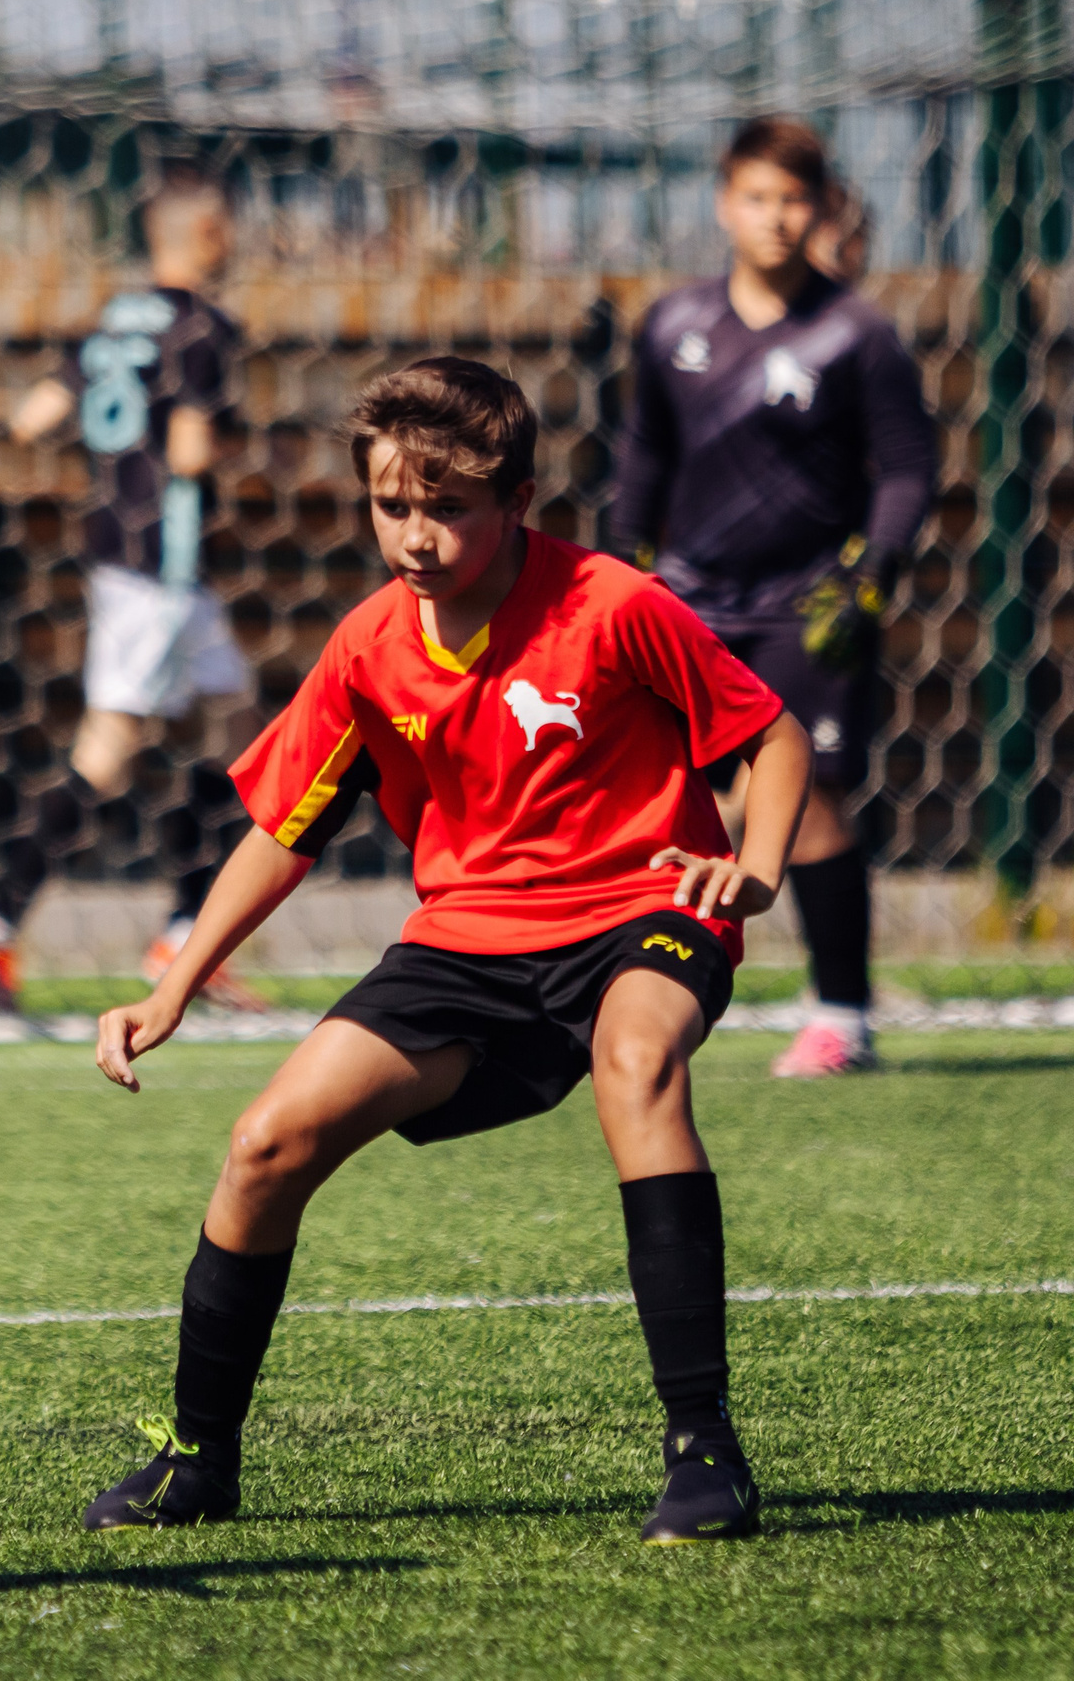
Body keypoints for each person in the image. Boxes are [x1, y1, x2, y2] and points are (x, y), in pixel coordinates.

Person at [85, 358, 810, 1546]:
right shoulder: (368, 645)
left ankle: (703, 1451)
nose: (414, 536)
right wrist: (172, 985)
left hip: (644, 906)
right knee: (265, 1142)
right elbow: (285, 828)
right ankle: (197, 1458)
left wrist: (758, 867)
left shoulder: (612, 603)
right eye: (390, 506)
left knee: (636, 1064)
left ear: (517, 501)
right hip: (467, 940)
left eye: (447, 508)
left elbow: (772, 736)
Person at [612, 116, 935, 1077]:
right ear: (725, 205)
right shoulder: (672, 324)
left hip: (807, 604)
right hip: (688, 603)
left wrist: (870, 572)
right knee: (677, 804)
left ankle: (843, 1016)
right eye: (758, 197)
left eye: (795, 200)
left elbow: (908, 469)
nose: (777, 218)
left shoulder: (857, 333)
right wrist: (621, 567)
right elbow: (643, 455)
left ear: (822, 208)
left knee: (810, 800)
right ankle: (642, 996)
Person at [0, 166, 263, 1017]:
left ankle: (184, 935)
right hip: (163, 561)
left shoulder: (113, 318)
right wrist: (248, 450)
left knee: (235, 728)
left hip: (124, 551)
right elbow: (192, 453)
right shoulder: (203, 325)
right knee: (109, 749)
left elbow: (31, 418)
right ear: (206, 233)